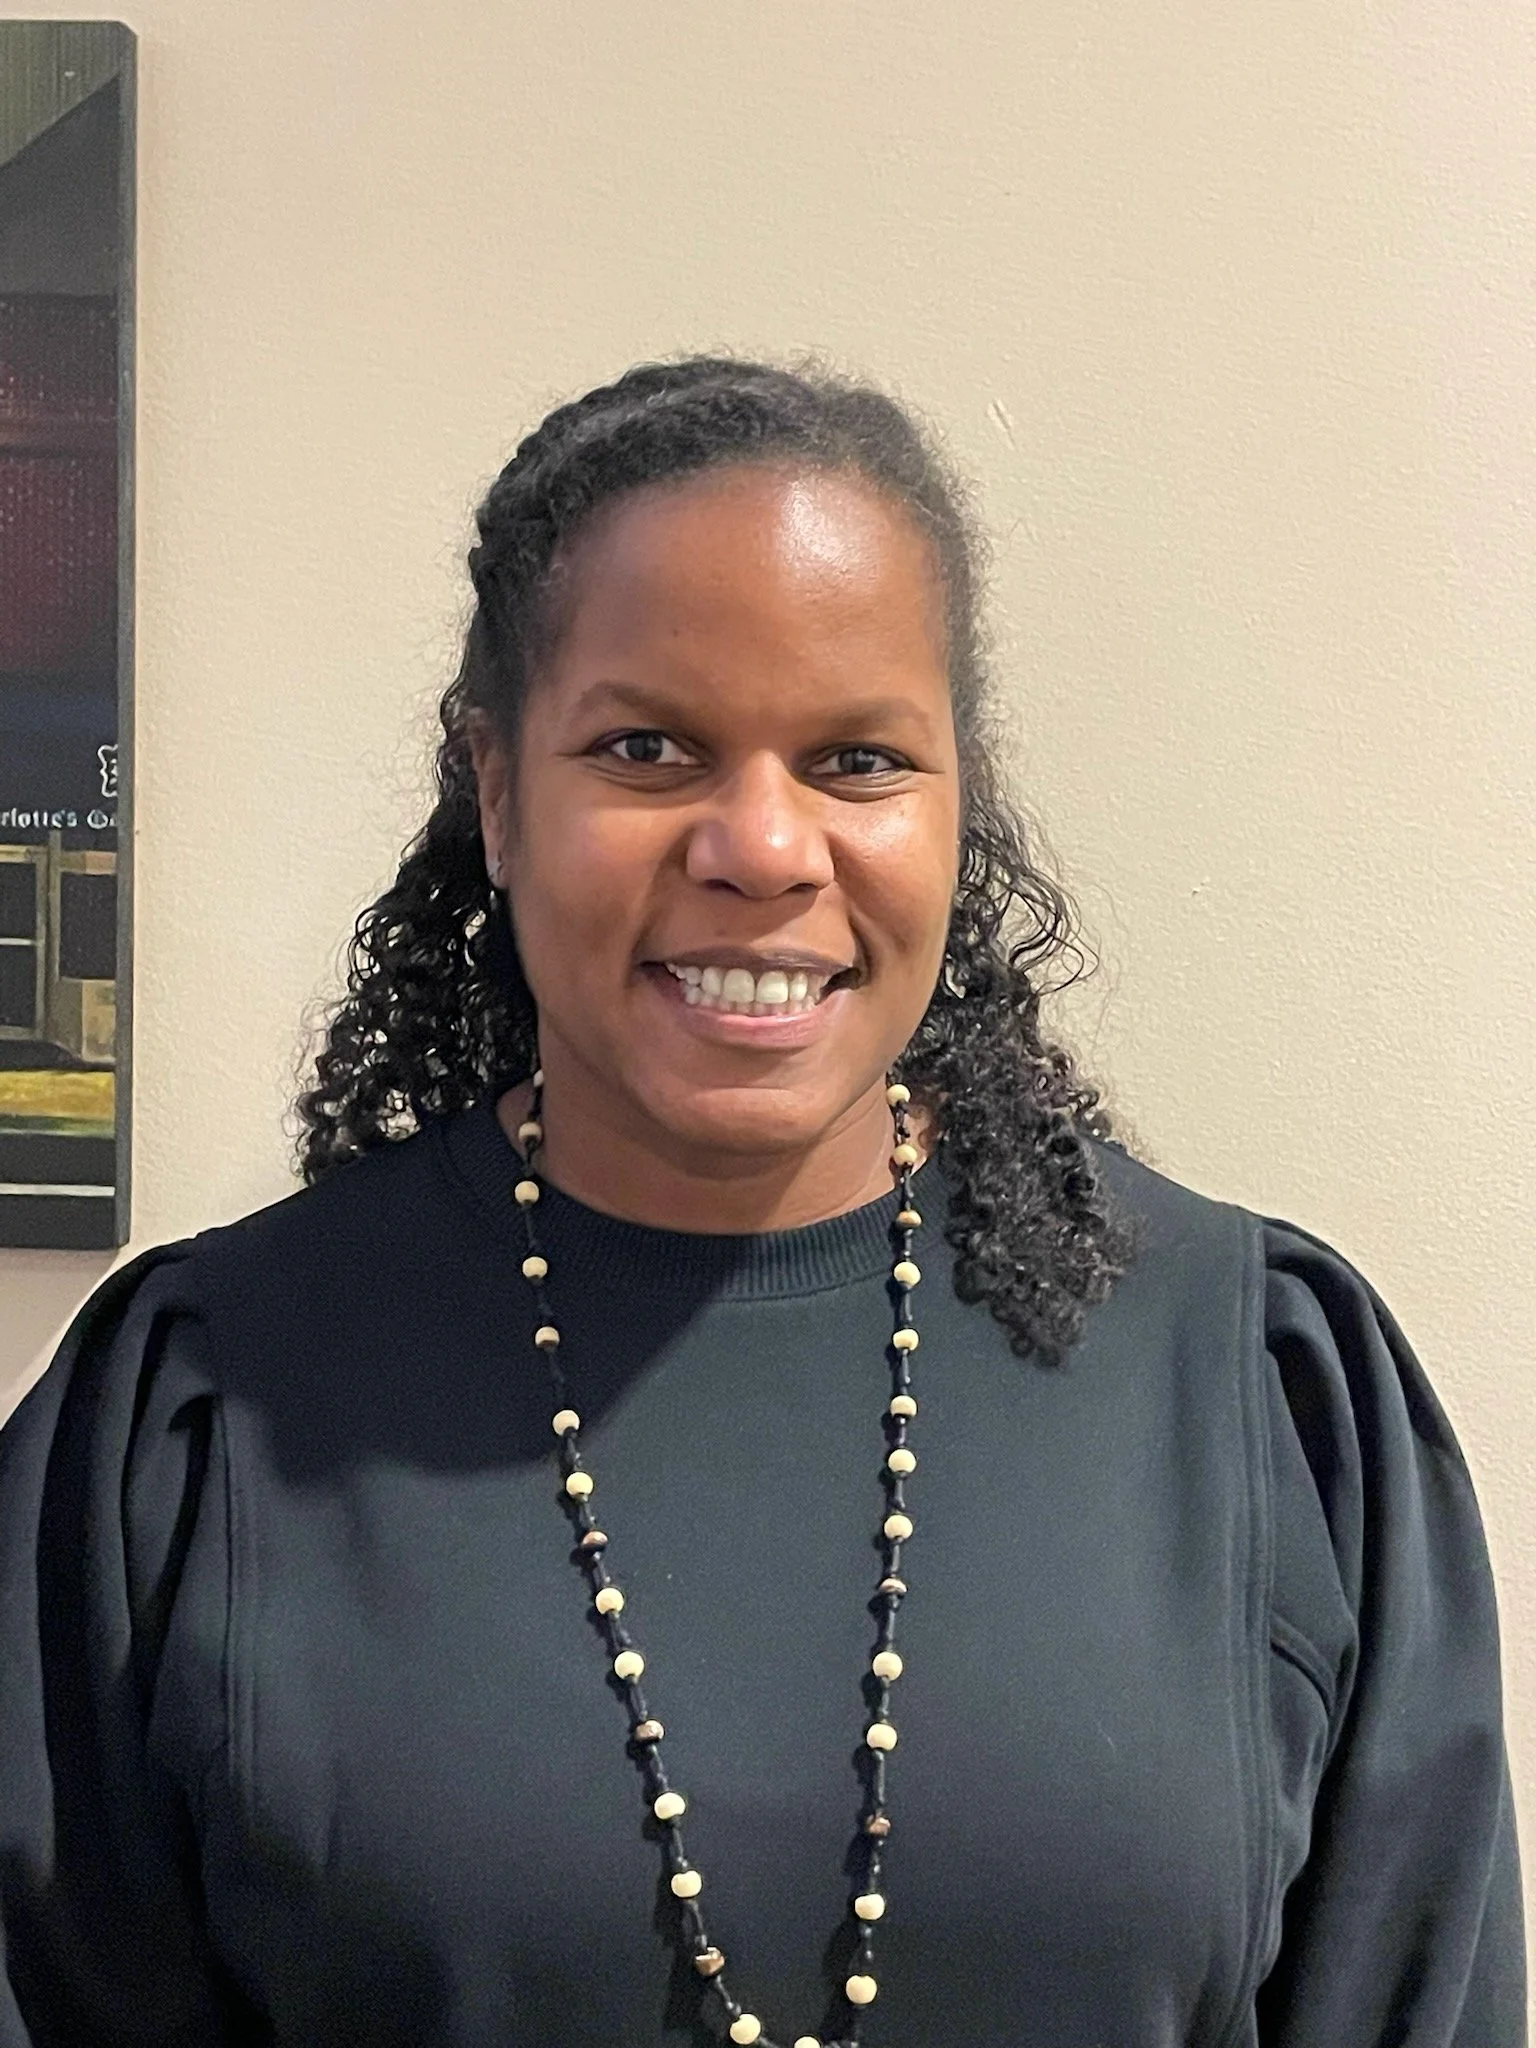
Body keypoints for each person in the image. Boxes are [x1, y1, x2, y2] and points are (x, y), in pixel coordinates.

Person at [0, 354, 1523, 2048]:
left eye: (860, 759)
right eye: (647, 747)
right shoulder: (201, 1411)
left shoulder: (1263, 1390)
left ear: (959, 808)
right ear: (499, 791)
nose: (765, 846)